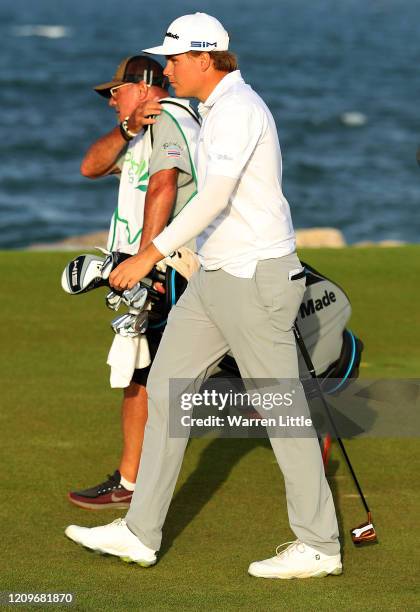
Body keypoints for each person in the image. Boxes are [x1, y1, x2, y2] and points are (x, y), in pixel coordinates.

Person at [65, 13, 342, 579]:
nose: (166, 70)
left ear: (203, 59)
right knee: (168, 393)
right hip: (217, 277)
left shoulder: (239, 109)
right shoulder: (214, 110)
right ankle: (140, 533)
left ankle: (320, 544)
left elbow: (214, 196)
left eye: (172, 60)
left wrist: (150, 252)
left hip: (256, 277)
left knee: (280, 409)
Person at [68, 54, 200, 509]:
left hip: (168, 271)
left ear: (143, 88)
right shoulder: (140, 133)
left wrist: (146, 264)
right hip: (148, 270)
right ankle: (129, 480)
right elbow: (89, 166)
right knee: (142, 376)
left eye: (116, 92)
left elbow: (165, 186)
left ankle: (309, 422)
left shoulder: (168, 119)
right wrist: (126, 128)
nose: (110, 101)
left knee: (179, 376)